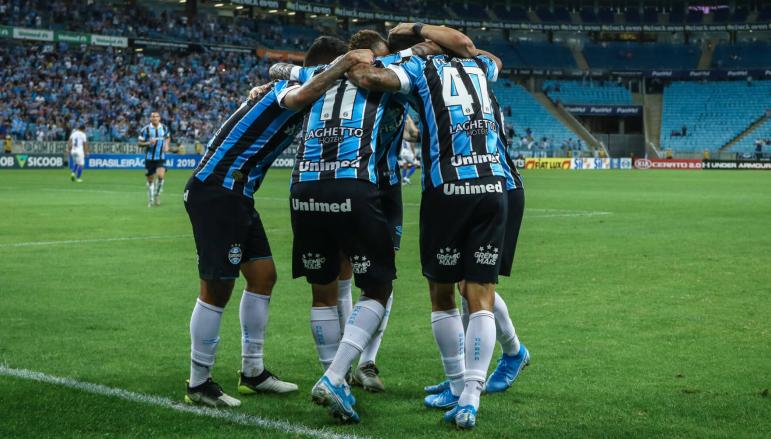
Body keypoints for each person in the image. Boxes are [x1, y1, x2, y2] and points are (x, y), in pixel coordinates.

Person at [182, 37, 369, 408]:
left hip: (238, 194)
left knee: (263, 276)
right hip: (217, 191)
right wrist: (343, 64)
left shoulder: (286, 86)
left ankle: (252, 372)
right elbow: (299, 94)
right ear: (325, 69)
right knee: (216, 287)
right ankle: (198, 382)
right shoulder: (287, 89)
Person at [348, 22, 508, 429]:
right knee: (481, 295)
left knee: (442, 294)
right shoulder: (480, 66)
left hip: (448, 189)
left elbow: (368, 77)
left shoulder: (419, 68)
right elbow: (487, 55)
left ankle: (457, 384)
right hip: (493, 186)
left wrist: (398, 54)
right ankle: (471, 396)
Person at [137, 112, 170, 207]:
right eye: (153, 116)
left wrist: (167, 145)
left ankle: (157, 195)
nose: (155, 118)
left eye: (157, 116)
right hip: (149, 158)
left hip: (160, 157)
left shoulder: (164, 128)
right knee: (150, 180)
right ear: (150, 119)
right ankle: (150, 199)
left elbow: (168, 137)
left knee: (160, 176)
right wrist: (148, 143)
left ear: (159, 118)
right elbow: (139, 143)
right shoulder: (145, 130)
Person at [399, 116, 420, 185]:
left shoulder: (401, 133)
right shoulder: (409, 134)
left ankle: (404, 181)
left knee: (405, 165)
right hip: (408, 152)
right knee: (416, 164)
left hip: (402, 152)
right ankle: (407, 177)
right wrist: (414, 154)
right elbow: (411, 145)